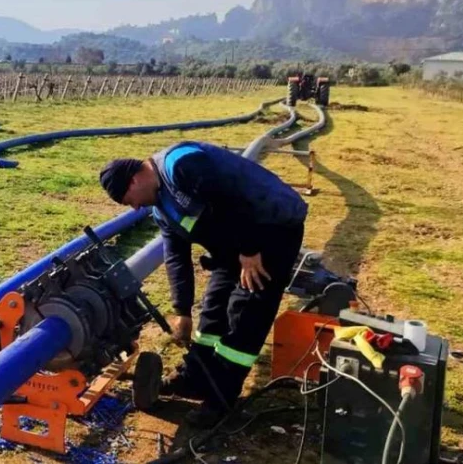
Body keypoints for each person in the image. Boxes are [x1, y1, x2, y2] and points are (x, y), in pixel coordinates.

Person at [99, 141, 307, 427]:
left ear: (134, 179)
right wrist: (182, 310)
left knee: (245, 314)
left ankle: (220, 401)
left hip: (271, 230)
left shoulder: (181, 165)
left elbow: (230, 198)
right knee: (213, 309)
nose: (134, 207)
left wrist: (249, 250)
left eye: (128, 199)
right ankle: (195, 378)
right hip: (233, 246)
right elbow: (176, 258)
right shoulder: (162, 210)